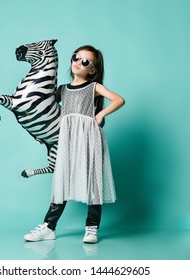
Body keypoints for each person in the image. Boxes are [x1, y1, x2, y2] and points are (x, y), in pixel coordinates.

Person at [24, 45, 125, 243]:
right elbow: (46, 105)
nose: (78, 62)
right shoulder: (63, 89)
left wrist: (101, 114)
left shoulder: (93, 87)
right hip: (68, 139)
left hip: (89, 138)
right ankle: (49, 226)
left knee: (92, 181)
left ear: (93, 70)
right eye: (76, 57)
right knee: (62, 178)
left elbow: (118, 99)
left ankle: (91, 227)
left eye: (85, 61)